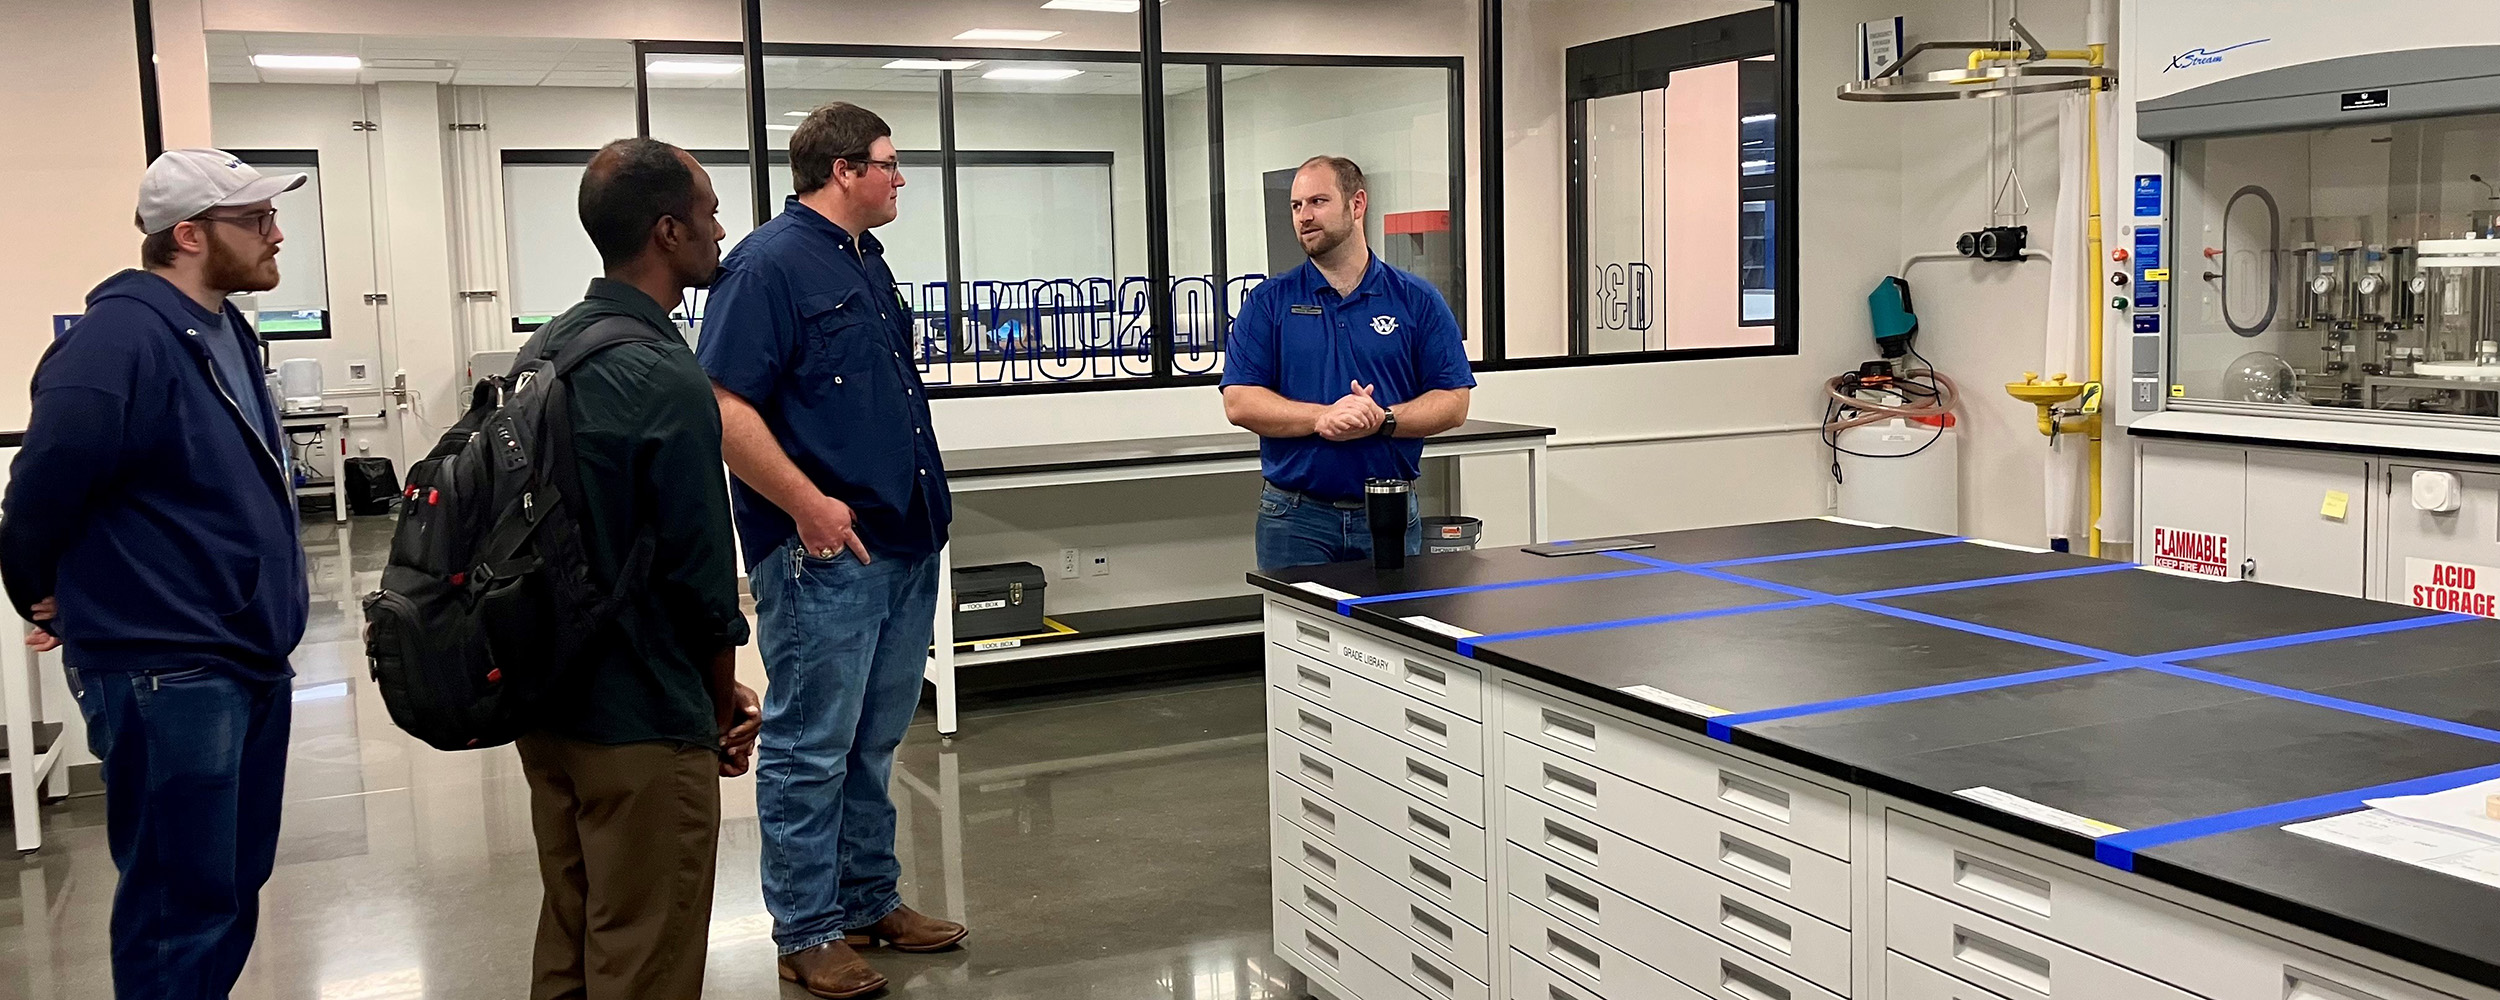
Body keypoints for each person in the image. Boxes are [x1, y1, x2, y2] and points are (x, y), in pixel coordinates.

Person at [0, 148, 310, 999]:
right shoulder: (120, 340)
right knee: (180, 907)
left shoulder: (224, 330)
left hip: (242, 652)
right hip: (166, 664)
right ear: (189, 234)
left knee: (230, 888)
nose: (276, 234)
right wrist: (41, 591)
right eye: (255, 221)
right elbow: (40, 490)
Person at [697, 102, 965, 999]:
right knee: (811, 746)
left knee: (872, 743)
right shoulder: (767, 267)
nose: (899, 180)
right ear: (845, 170)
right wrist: (807, 505)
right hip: (825, 554)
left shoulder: (864, 259)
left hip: (902, 539)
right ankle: (806, 930)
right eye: (890, 165)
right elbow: (726, 408)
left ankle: (865, 899)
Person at [509, 137, 762, 1000]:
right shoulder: (664, 375)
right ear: (667, 232)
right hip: (645, 718)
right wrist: (716, 706)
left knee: (574, 930)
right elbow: (701, 581)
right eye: (708, 211)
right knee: (646, 952)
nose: (720, 227)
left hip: (549, 705)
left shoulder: (547, 350)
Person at [1220, 155, 1477, 570]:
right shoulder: (1269, 302)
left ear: (1357, 205)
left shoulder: (1417, 299)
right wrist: (1322, 418)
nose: (1304, 216)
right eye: (1296, 206)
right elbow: (1239, 402)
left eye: (1318, 201)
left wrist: (1383, 419)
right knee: (1297, 636)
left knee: (1389, 632)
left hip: (1389, 509)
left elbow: (1454, 401)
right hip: (1294, 518)